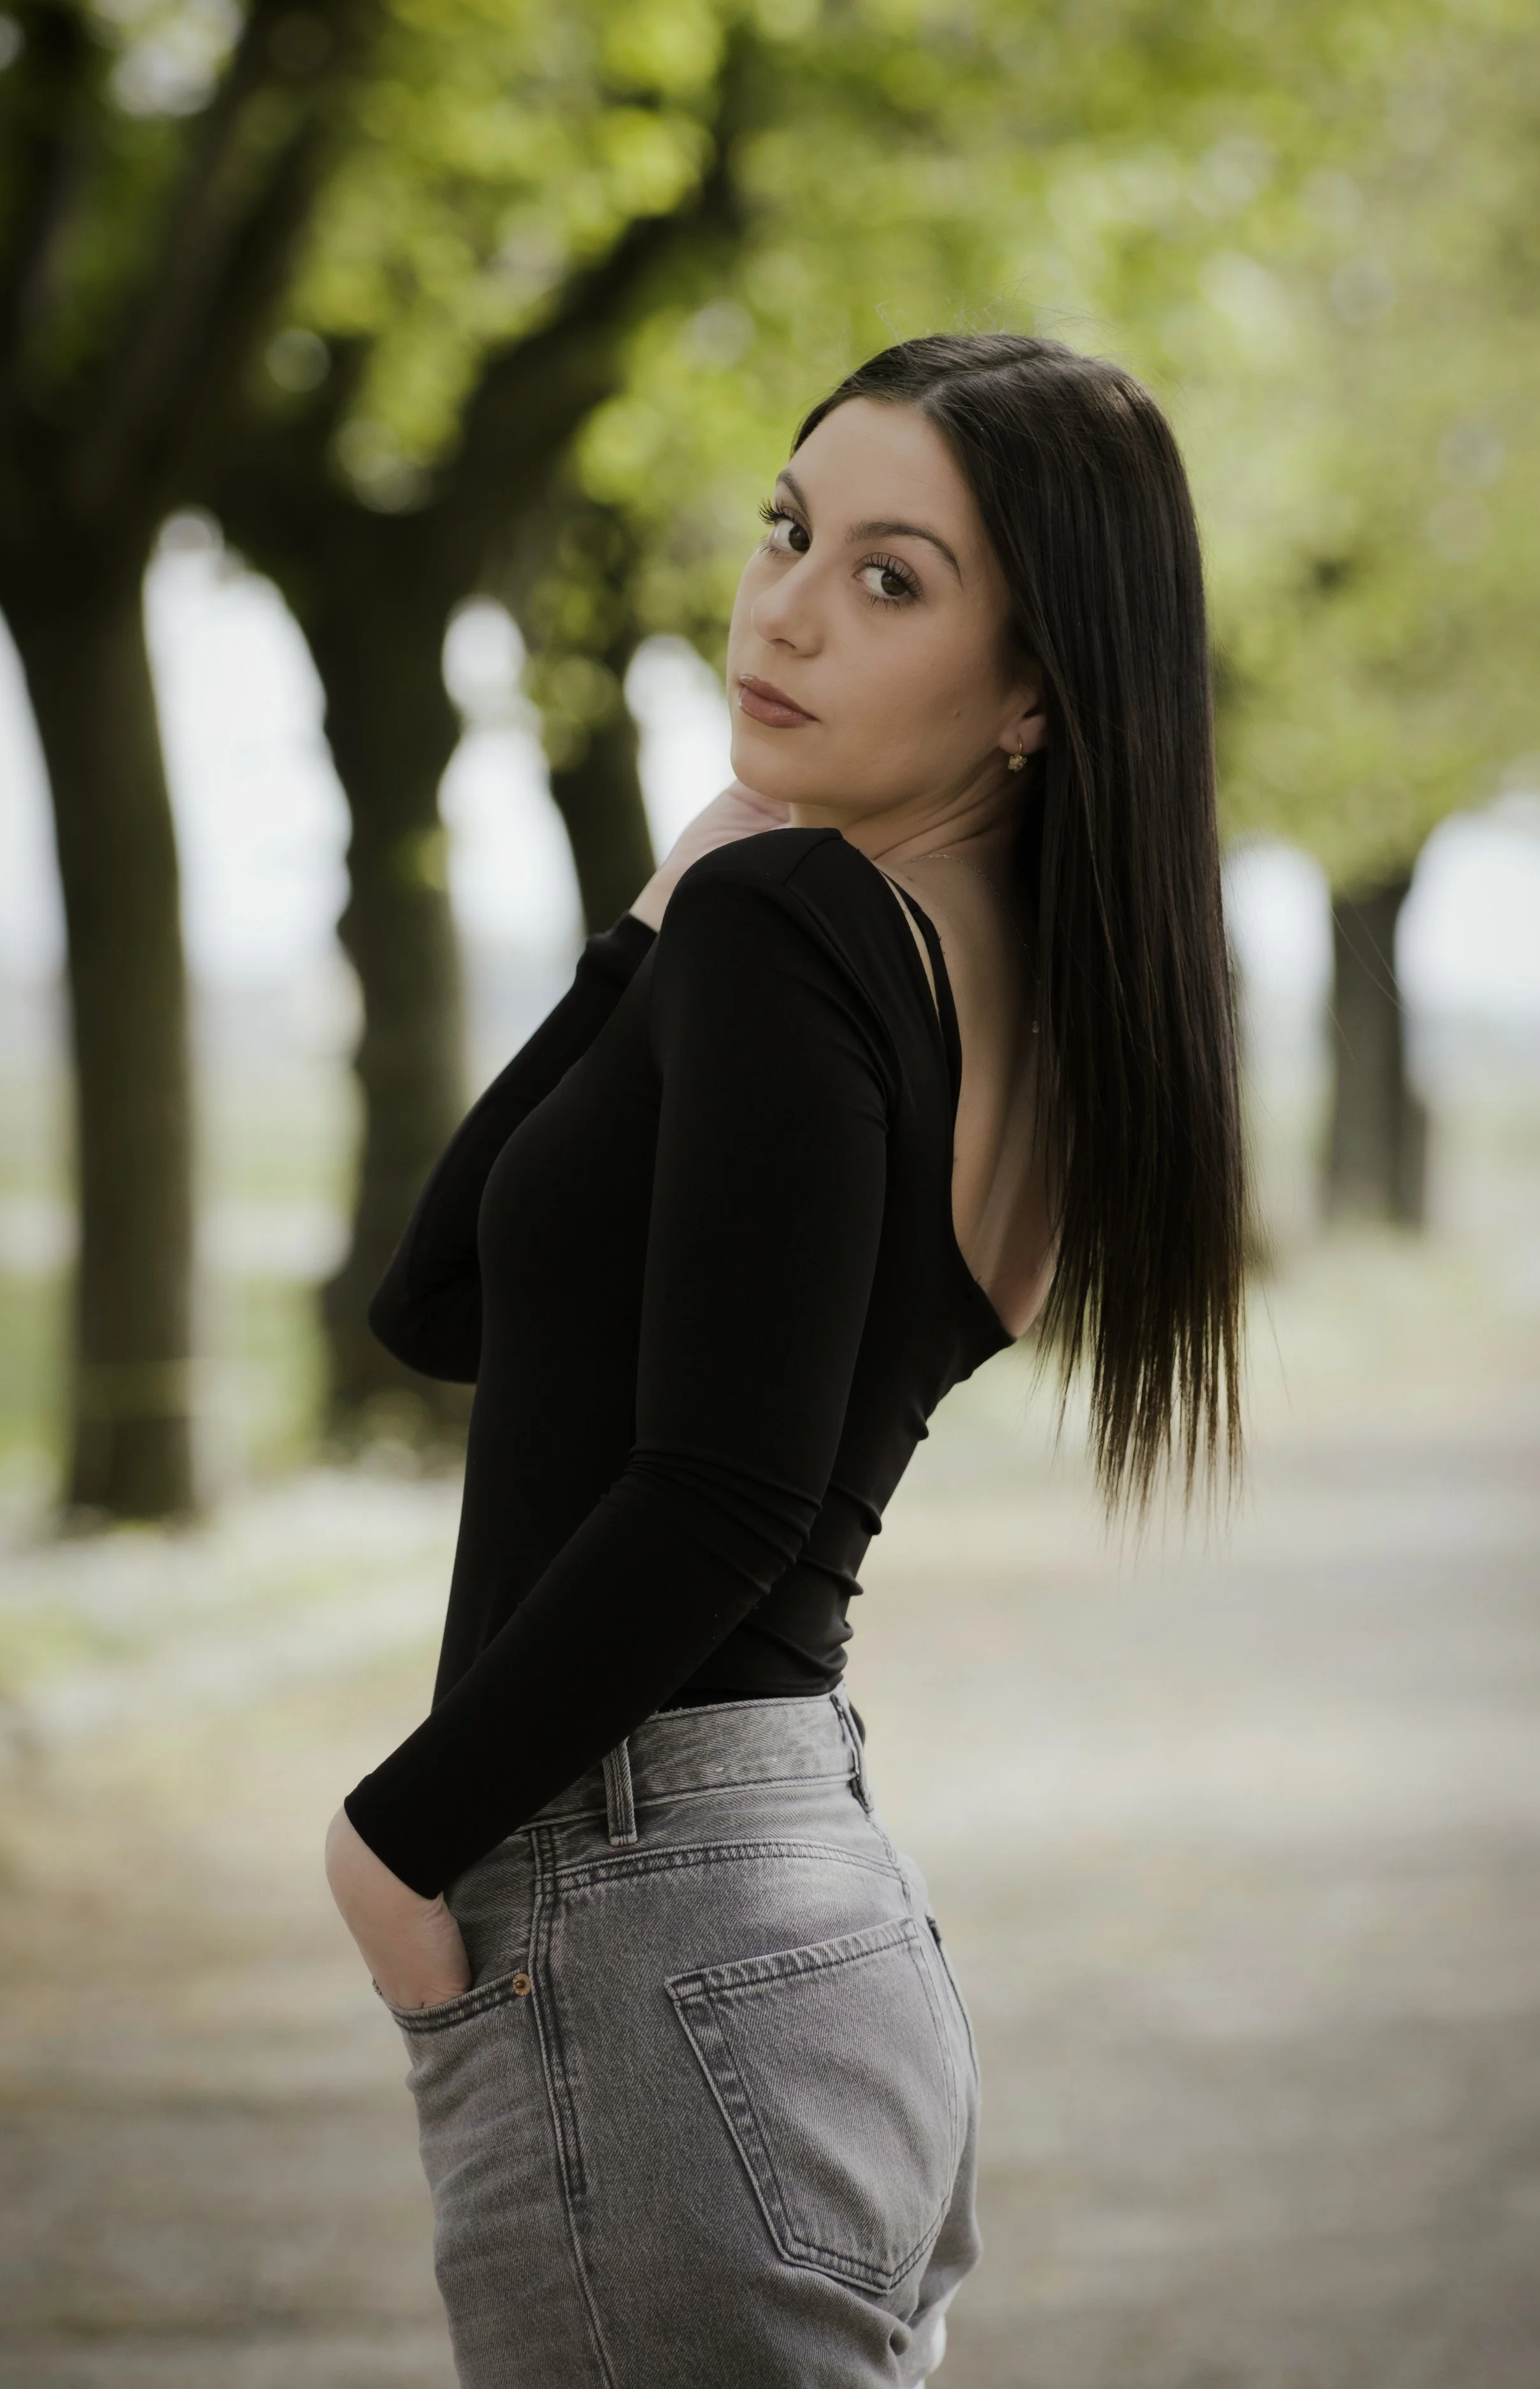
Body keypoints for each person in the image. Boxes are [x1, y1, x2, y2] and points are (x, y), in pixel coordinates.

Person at [324, 333, 1244, 2388]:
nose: (787, 604)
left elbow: (720, 1489)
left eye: (891, 577)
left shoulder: (805, 933)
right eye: (789, 529)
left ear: (1033, 692)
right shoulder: (1030, 1011)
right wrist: (655, 908)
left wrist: (393, 1842)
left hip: (643, 1907)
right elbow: (450, 1308)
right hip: (816, 1918)